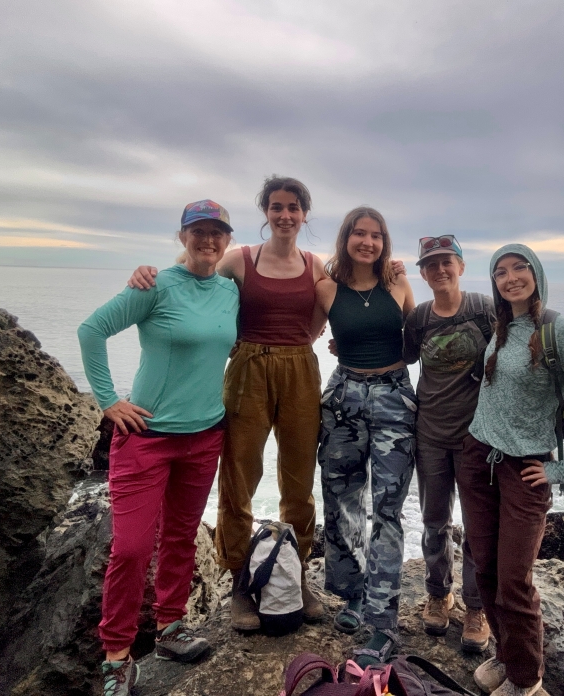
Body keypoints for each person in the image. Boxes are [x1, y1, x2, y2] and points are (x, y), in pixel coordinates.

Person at [127, 176, 330, 631]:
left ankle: (293, 574)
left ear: (304, 214)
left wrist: (295, 349)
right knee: (239, 473)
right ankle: (241, 580)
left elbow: (318, 322)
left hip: (300, 370)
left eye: (293, 207)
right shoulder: (240, 260)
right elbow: (192, 274)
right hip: (248, 368)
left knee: (299, 476)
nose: (285, 215)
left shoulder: (317, 266)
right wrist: (150, 274)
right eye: (276, 207)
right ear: (265, 213)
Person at [78, 200, 240, 696]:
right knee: (130, 549)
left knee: (181, 536)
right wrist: (108, 401)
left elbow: (287, 268)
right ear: (182, 236)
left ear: (227, 239)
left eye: (217, 232)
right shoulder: (155, 285)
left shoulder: (232, 291)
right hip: (145, 438)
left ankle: (171, 627)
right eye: (199, 231)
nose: (208, 240)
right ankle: (116, 655)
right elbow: (91, 330)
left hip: (206, 434)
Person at [458, 244, 564, 696]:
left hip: (526, 469)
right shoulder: (501, 327)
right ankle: (505, 655)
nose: (510, 277)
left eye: (519, 267)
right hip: (478, 457)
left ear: (536, 273)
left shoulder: (559, 330)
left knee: (514, 582)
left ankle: (527, 683)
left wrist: (562, 472)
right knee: (484, 569)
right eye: (500, 271)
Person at [315, 206, 416, 667]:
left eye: (376, 235)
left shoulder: (397, 283)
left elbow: (419, 342)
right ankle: (351, 593)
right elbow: (301, 331)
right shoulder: (325, 287)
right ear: (346, 238)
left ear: (385, 243)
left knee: (388, 509)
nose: (368, 242)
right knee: (340, 500)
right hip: (343, 397)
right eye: (359, 233)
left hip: (394, 396)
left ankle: (383, 621)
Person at [401, 235, 494, 652]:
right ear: (422, 273)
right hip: (431, 436)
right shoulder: (419, 318)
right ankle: (439, 594)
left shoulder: (485, 310)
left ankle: (477, 607)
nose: (440, 270)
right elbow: (396, 359)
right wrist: (344, 347)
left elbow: (523, 339)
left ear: (461, 266)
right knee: (435, 521)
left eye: (447, 262)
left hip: (477, 439)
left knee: (477, 526)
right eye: (431, 264)